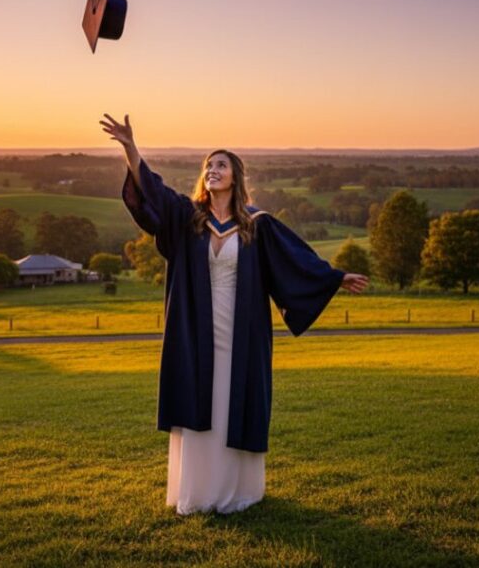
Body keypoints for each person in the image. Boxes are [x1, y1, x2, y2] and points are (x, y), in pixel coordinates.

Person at [101, 113, 369, 515]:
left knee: (233, 400)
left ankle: (237, 491)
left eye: (221, 165)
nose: (212, 170)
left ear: (235, 176)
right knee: (200, 398)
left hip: (241, 331)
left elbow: (295, 260)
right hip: (195, 328)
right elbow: (152, 193)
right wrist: (130, 147)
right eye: (208, 165)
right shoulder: (187, 216)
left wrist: (333, 277)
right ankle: (201, 492)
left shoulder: (256, 225)